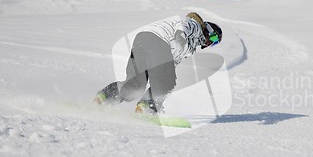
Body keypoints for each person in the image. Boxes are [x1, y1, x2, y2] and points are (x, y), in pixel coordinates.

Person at [93, 12, 223, 114]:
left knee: (136, 86)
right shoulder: (195, 26)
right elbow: (184, 26)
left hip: (142, 41)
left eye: (215, 43)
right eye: (214, 37)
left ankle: (104, 97)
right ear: (209, 30)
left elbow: (172, 62)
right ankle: (147, 107)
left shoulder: (188, 49)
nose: (211, 42)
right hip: (158, 41)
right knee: (167, 83)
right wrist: (180, 36)